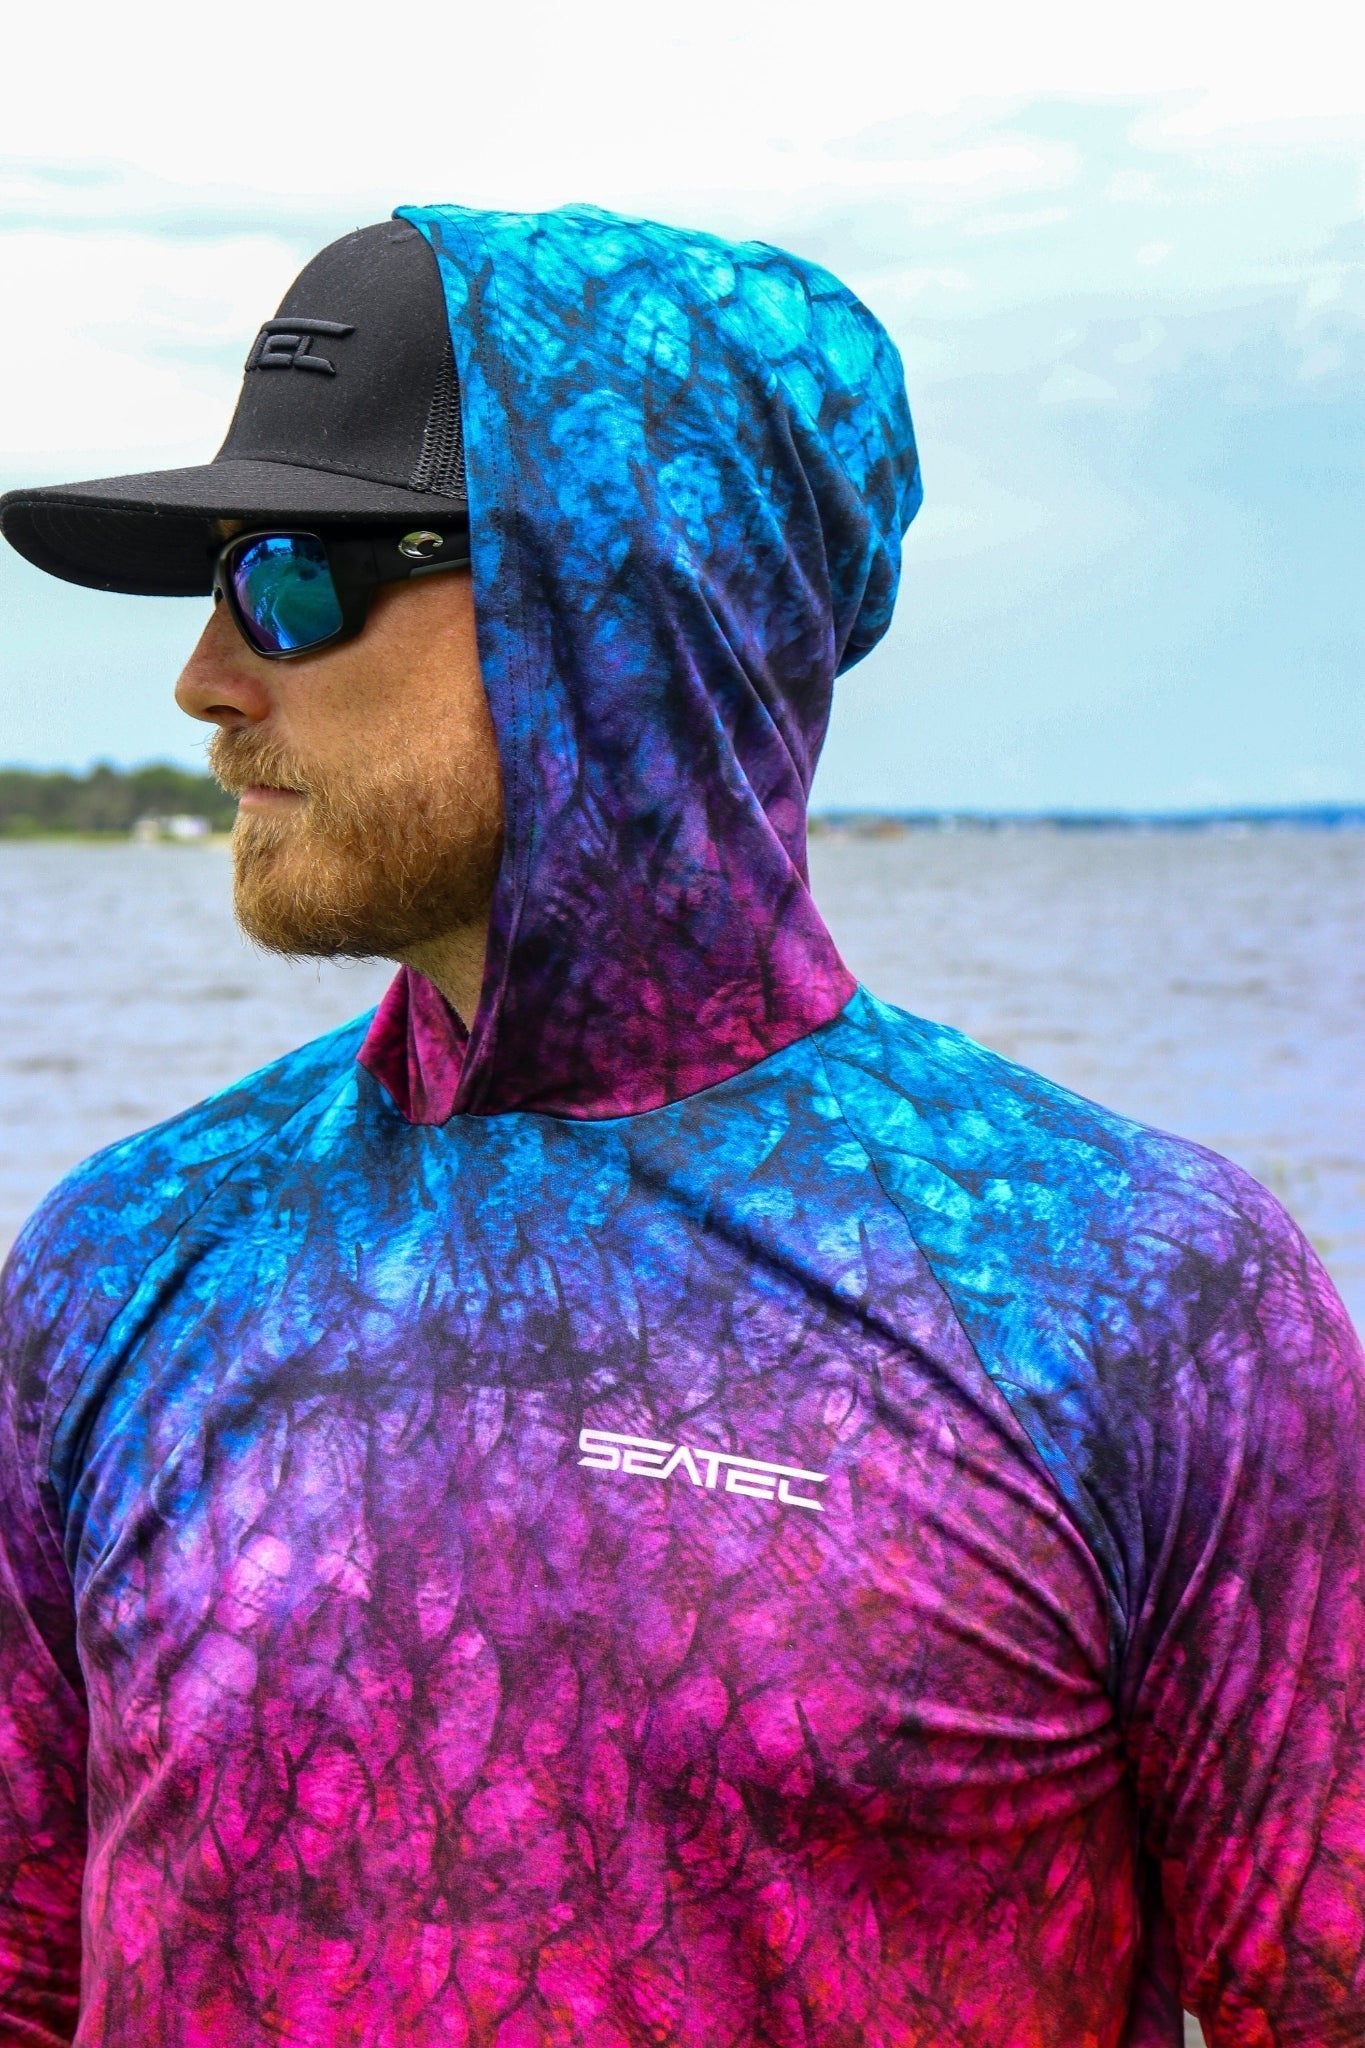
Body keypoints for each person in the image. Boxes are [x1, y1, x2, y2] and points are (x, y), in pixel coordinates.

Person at [0, 203, 1361, 2048]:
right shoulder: (126, 1257)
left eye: (291, 580)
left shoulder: (1131, 1297)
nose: (207, 682)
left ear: (622, 607)